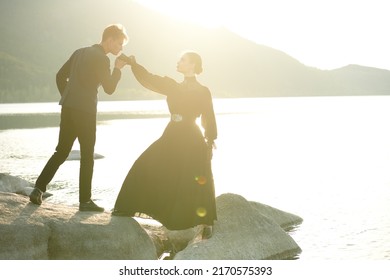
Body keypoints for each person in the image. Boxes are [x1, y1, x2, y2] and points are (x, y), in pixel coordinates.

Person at [113, 52, 217, 236]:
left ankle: (204, 222)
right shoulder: (172, 85)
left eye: (183, 59)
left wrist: (210, 139)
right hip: (172, 134)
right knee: (146, 164)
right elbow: (149, 79)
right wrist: (134, 65)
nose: (179, 61)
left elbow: (208, 115)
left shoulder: (203, 91)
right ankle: (129, 206)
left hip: (192, 137)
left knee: (194, 177)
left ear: (193, 64)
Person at [29, 24, 129, 212]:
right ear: (109, 39)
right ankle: (85, 201)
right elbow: (109, 88)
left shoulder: (79, 52)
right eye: (119, 43)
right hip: (85, 111)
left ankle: (38, 189)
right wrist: (118, 69)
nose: (121, 48)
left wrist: (68, 97)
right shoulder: (102, 59)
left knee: (61, 152)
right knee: (87, 156)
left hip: (68, 107)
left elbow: (60, 76)